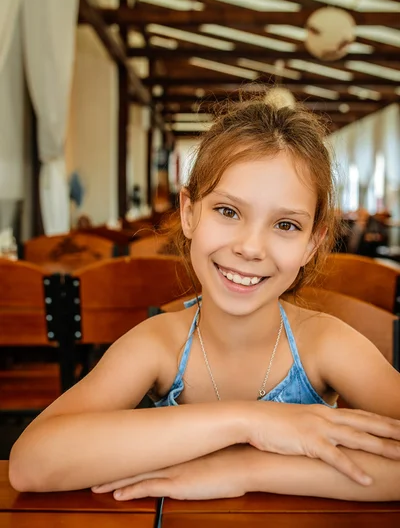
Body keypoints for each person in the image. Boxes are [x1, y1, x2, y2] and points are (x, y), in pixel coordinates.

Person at [9, 98, 400, 502]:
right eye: (228, 211)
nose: (250, 248)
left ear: (311, 244)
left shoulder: (326, 344)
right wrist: (249, 422)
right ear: (189, 213)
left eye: (285, 224)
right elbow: (31, 462)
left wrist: (244, 468)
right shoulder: (159, 344)